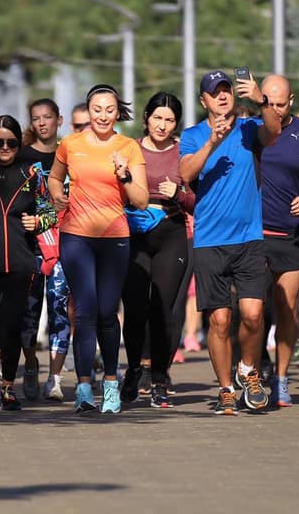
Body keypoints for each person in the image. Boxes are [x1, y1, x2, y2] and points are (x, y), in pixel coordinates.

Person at [179, 69, 281, 415]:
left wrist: (260, 98)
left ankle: (248, 371)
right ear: (203, 100)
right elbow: (186, 174)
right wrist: (212, 141)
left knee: (252, 315)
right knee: (220, 320)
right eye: (215, 92)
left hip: (249, 237)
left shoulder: (249, 128)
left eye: (227, 90)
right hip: (210, 240)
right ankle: (225, 388)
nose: (222, 96)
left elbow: (275, 129)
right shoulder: (193, 136)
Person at [49, 84, 148, 414]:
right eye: (97, 110)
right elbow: (54, 178)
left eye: (109, 110)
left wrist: (125, 176)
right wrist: (56, 196)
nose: (103, 115)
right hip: (76, 236)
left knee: (108, 312)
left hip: (114, 237)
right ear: (88, 112)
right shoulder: (70, 144)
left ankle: (109, 384)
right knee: (85, 311)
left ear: (117, 112)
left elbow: (141, 200)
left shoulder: (128, 147)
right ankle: (82, 388)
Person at [0, 115, 57, 411]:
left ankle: (8, 387)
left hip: (21, 262)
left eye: (11, 143)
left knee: (11, 327)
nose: (5, 147)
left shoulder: (32, 173)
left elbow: (51, 212)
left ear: (19, 143)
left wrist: (37, 221)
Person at [120, 92, 195, 409]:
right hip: (135, 232)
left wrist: (179, 193)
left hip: (172, 232)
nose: (162, 125)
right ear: (146, 117)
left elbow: (196, 199)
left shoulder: (184, 151)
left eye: (169, 120)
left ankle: (161, 376)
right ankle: (136, 368)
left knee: (165, 308)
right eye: (157, 118)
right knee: (135, 307)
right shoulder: (129, 149)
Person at [258, 75, 299, 406]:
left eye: (281, 104)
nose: (275, 110)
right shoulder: (250, 130)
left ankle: (282, 379)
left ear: (292, 101)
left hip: (291, 233)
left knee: (286, 310)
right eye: (268, 103)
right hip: (252, 235)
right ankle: (254, 372)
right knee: (252, 312)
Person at [17, 98, 73, 402]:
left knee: (59, 307)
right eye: (36, 118)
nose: (42, 123)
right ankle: (30, 362)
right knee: (27, 311)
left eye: (48, 117)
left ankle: (54, 377)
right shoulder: (22, 157)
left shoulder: (71, 153)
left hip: (64, 241)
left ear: (59, 120)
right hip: (29, 246)